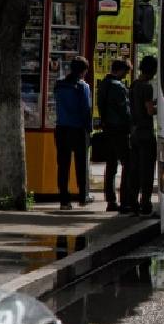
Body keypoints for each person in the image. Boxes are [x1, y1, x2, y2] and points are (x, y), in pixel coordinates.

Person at [54, 57, 92, 210]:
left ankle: (64, 200)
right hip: (78, 129)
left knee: (63, 165)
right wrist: (89, 128)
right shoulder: (83, 87)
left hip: (61, 128)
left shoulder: (59, 85)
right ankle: (82, 197)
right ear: (83, 71)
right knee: (81, 164)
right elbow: (86, 109)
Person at [97, 59, 132, 213]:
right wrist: (131, 124)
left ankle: (111, 200)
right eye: (126, 72)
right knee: (127, 164)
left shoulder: (103, 84)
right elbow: (124, 110)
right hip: (119, 129)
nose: (126, 76)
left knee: (111, 166)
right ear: (120, 70)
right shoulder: (118, 87)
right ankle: (125, 200)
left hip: (107, 128)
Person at [129, 56, 158, 216]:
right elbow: (149, 110)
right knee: (147, 171)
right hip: (146, 133)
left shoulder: (133, 85)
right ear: (153, 70)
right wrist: (161, 107)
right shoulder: (147, 87)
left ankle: (132, 203)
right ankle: (145, 204)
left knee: (134, 170)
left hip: (134, 133)